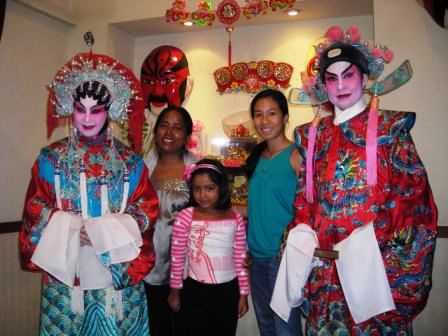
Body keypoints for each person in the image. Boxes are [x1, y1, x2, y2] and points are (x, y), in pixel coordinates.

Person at [272, 26, 437, 335]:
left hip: (375, 272)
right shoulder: (312, 136)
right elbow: (304, 201)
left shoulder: (391, 130)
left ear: (363, 77)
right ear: (322, 85)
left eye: (348, 75)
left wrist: (371, 243)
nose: (341, 85)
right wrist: (303, 230)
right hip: (323, 274)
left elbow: (414, 207)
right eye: (331, 79)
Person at [19, 51, 159, 335]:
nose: (86, 118)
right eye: (79, 108)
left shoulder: (130, 162)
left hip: (115, 273)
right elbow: (34, 206)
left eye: (95, 110)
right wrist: (70, 227)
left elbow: (146, 210)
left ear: (110, 111)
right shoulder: (50, 159)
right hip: (65, 274)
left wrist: (101, 231)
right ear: (69, 109)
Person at [167, 158, 249, 336]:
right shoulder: (185, 216)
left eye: (209, 188)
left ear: (221, 188)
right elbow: (177, 257)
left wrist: (243, 294)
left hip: (228, 292)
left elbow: (240, 257)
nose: (202, 195)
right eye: (197, 188)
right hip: (194, 291)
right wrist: (175, 292)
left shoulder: (234, 217)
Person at [245, 89, 303, 336]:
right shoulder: (258, 156)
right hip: (256, 257)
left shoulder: (296, 155)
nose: (264, 121)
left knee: (285, 328)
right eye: (258, 115)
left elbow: (309, 205)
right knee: (266, 326)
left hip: (282, 258)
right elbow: (257, 205)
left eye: (272, 113)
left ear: (285, 117)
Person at [143, 106, 196, 336]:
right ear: (156, 131)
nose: (169, 132)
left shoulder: (195, 170)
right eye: (164, 125)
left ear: (186, 136)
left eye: (177, 128)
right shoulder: (143, 168)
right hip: (148, 264)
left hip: (184, 266)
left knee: (182, 327)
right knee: (155, 325)